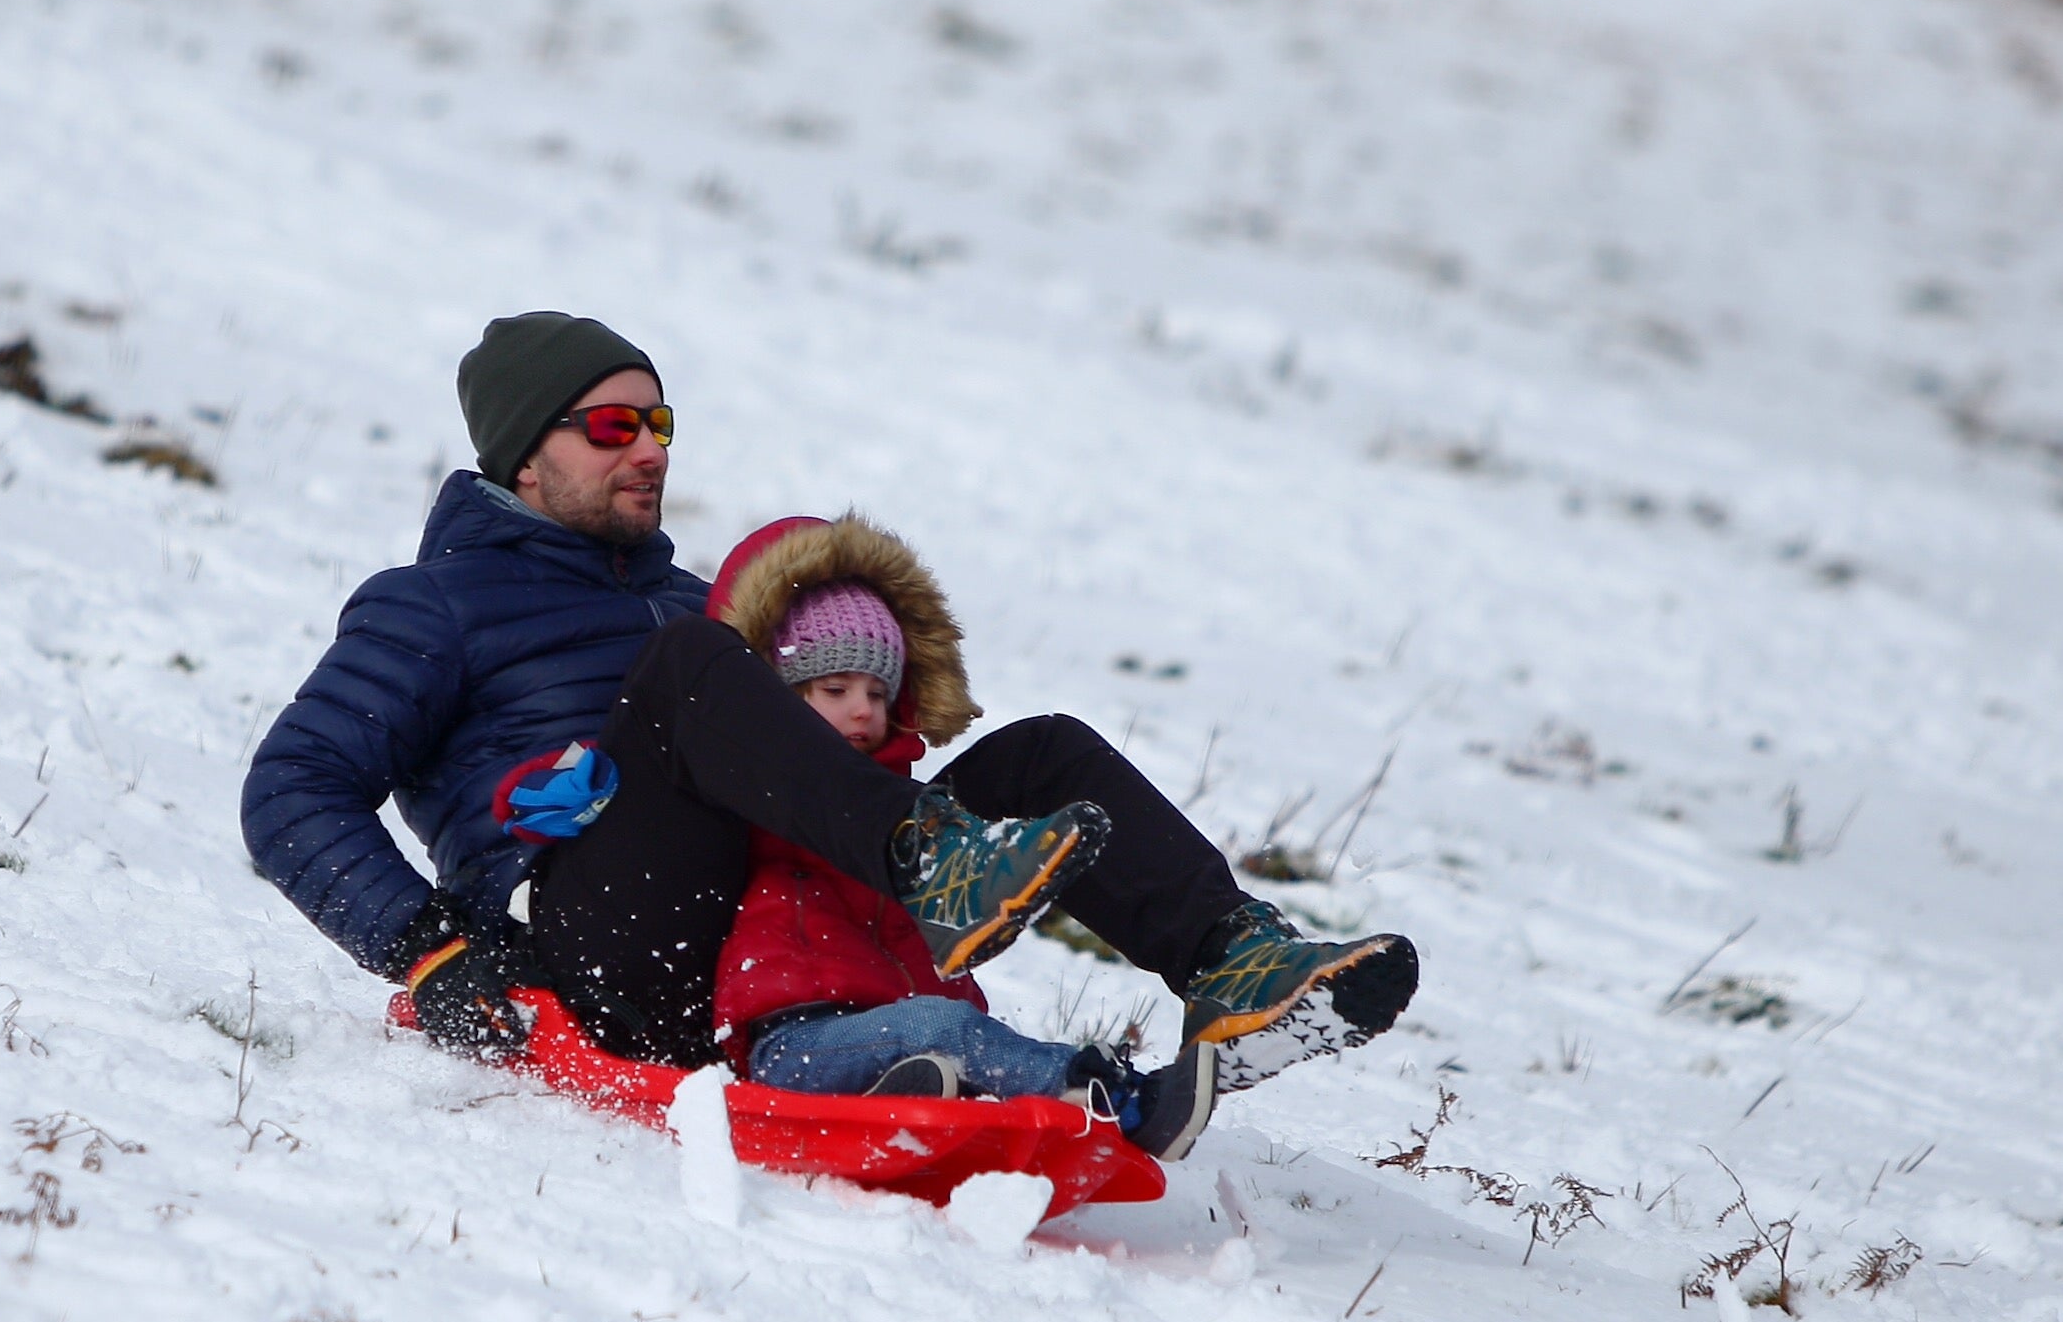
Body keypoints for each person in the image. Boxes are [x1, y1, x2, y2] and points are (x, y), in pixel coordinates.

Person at [240, 311, 1417, 1095]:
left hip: (766, 935)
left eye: (659, 424)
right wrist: (429, 950)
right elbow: (291, 788)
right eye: (612, 427)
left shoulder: (698, 605)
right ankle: (933, 865)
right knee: (693, 673)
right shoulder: (433, 606)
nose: (649, 450)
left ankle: (1235, 968)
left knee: (1040, 754)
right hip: (597, 946)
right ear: (521, 457)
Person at [704, 513, 1278, 1160]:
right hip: (793, 1046)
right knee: (944, 1027)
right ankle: (1116, 1102)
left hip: (890, 1032)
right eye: (835, 689)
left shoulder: (908, 813)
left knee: (950, 1029)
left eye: (877, 690)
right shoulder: (766, 804)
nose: (863, 708)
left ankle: (916, 1099)